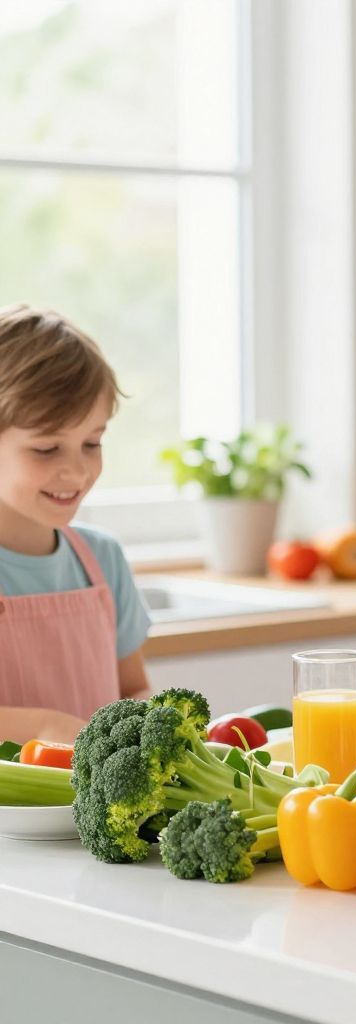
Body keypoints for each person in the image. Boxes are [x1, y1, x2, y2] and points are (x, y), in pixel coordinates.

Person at [0, 304, 152, 743]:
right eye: (46, 449)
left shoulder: (102, 559)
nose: (78, 472)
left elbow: (134, 688)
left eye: (92, 442)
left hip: (94, 813)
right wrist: (45, 727)